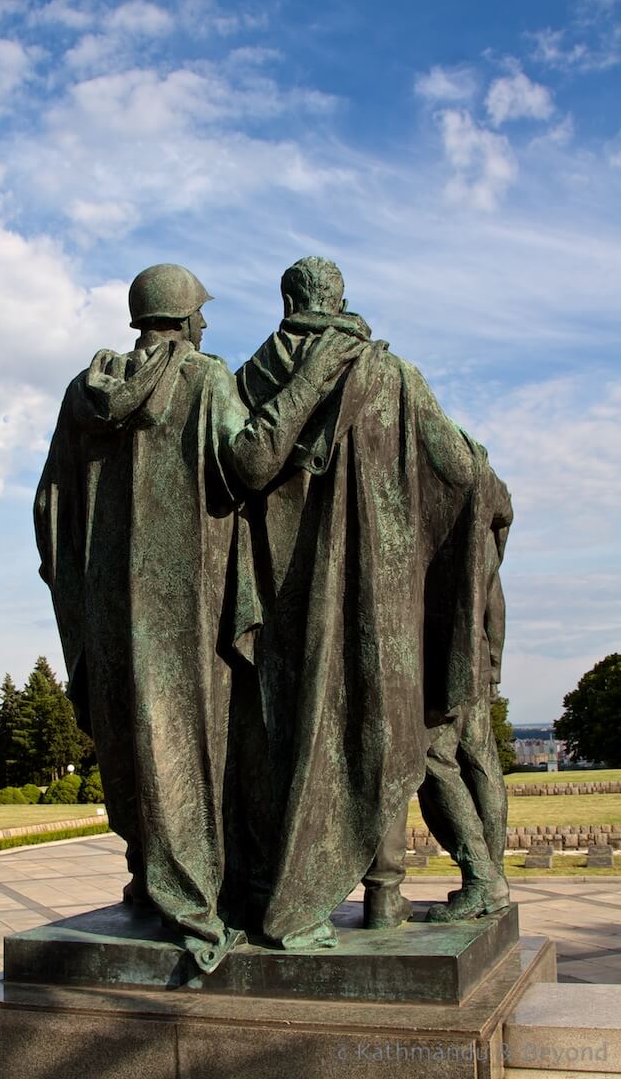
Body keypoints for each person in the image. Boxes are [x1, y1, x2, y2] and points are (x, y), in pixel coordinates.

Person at [34, 263, 359, 971]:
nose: (206, 326)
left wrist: (81, 593)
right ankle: (196, 910)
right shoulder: (202, 380)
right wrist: (313, 379)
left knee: (136, 743)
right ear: (181, 319)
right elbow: (252, 463)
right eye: (200, 315)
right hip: (189, 603)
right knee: (196, 747)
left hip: (110, 607)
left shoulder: (81, 395)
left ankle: (160, 888)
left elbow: (48, 507)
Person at [236, 256, 506, 949]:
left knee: (299, 742)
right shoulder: (394, 375)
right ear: (342, 298)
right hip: (389, 600)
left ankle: (289, 887)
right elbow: (463, 471)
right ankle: (386, 899)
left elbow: (239, 471)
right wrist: (459, 554)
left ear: (290, 300)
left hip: (288, 602)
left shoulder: (255, 375)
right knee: (391, 736)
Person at [418, 494, 513, 921]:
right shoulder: (481, 521)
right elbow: (494, 595)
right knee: (480, 760)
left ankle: (482, 877)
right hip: (473, 655)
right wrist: (492, 663)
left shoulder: (440, 503)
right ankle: (495, 878)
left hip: (444, 656)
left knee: (433, 756)